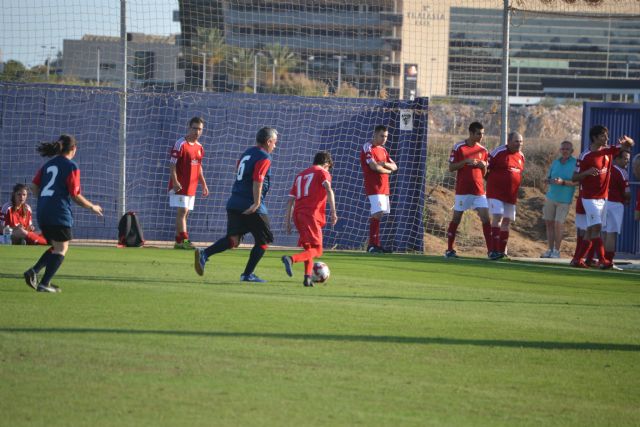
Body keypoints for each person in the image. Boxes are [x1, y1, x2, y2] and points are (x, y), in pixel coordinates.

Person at [194, 127, 278, 283]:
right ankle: (247, 275)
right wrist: (257, 202)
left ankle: (204, 254)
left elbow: (240, 171)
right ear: (268, 141)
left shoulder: (246, 153)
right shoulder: (264, 157)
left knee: (233, 240)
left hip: (234, 202)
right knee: (264, 241)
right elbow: (258, 179)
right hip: (251, 204)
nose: (275, 146)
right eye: (274, 143)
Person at [22, 135, 103, 292]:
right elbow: (75, 195)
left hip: (43, 212)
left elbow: (33, 185)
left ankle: (33, 271)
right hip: (58, 212)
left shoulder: (48, 165)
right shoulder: (71, 166)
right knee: (62, 248)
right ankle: (44, 283)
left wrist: (45, 198)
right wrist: (91, 206)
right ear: (73, 149)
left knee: (56, 245)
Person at [571, 125, 634, 268]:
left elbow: (628, 146)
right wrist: (587, 173)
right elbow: (574, 177)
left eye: (607, 135)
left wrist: (628, 141)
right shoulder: (585, 156)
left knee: (590, 230)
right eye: (603, 136)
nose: (607, 138)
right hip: (589, 198)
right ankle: (602, 260)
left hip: (603, 198)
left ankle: (578, 259)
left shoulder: (608, 151)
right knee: (597, 227)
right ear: (595, 138)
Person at [281, 152, 338, 287]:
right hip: (311, 214)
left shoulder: (301, 175)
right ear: (326, 164)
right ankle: (291, 259)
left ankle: (307, 278)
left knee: (309, 248)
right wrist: (333, 211)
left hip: (298, 215)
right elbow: (329, 190)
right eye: (329, 167)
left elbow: (290, 200)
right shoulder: (322, 173)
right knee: (318, 250)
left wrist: (287, 221)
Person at [445, 121, 492, 258]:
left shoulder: (483, 151)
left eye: (482, 134)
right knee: (456, 219)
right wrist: (465, 162)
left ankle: (491, 251)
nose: (481, 136)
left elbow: (484, 175)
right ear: (471, 133)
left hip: (479, 192)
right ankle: (449, 250)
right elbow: (451, 167)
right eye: (478, 134)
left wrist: (483, 166)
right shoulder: (459, 147)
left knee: (485, 219)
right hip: (463, 191)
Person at [168, 116, 209, 249]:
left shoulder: (200, 147)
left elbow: (199, 167)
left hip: (192, 186)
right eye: (195, 128)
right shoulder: (180, 144)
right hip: (180, 184)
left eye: (200, 129)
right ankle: (185, 242)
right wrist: (174, 181)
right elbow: (172, 165)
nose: (197, 132)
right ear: (189, 128)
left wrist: (203, 184)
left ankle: (178, 241)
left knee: (186, 213)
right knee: (182, 211)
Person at [485, 131, 525, 260]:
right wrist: (492, 181)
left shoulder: (521, 156)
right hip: (496, 192)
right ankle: (494, 250)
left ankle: (502, 252)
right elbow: (486, 167)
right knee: (497, 217)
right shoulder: (498, 152)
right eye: (516, 141)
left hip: (511, 195)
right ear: (509, 141)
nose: (519, 144)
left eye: (521, 141)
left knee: (507, 221)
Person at [360, 124, 397, 253]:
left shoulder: (383, 150)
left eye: (386, 136)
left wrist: (384, 164)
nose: (384, 139)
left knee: (379, 215)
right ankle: (372, 245)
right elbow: (373, 167)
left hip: (384, 187)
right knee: (377, 214)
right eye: (382, 136)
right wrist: (387, 171)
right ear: (375, 134)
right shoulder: (368, 147)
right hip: (374, 186)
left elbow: (394, 166)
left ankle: (376, 244)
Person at [540, 141, 578, 258]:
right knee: (549, 224)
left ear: (572, 151)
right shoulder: (555, 162)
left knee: (558, 224)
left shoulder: (575, 163)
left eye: (567, 149)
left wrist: (563, 182)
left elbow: (577, 182)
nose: (565, 151)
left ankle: (557, 251)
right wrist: (548, 181)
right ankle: (550, 250)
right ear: (560, 150)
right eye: (563, 149)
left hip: (564, 200)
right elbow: (550, 178)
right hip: (551, 197)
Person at [601, 150, 631, 270]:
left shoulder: (605, 169)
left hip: (602, 202)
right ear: (617, 159)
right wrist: (628, 199)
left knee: (603, 232)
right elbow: (627, 193)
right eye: (625, 158)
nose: (627, 161)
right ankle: (609, 261)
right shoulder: (621, 172)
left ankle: (602, 259)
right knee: (611, 233)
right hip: (615, 204)